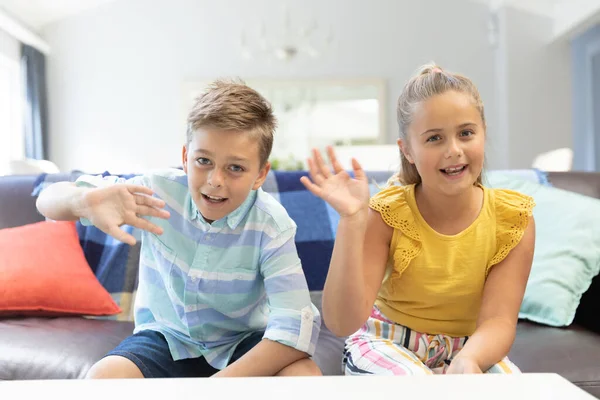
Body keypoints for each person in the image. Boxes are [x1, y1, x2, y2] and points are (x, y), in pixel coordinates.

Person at [36, 79, 321, 378]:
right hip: (166, 339)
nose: (215, 180)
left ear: (260, 174)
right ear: (186, 158)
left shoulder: (272, 224)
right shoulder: (154, 191)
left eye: (235, 168)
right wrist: (82, 201)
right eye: (203, 161)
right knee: (104, 377)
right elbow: (47, 200)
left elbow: (293, 330)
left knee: (304, 374)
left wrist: (214, 388)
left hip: (244, 344)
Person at [300, 63, 535, 375]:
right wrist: (352, 220)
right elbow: (342, 322)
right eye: (434, 138)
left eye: (465, 133)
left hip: (471, 346)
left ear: (483, 133)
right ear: (407, 150)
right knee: (414, 384)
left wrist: (469, 360)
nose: (454, 150)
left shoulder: (512, 219)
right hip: (388, 341)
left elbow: (498, 321)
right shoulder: (388, 213)